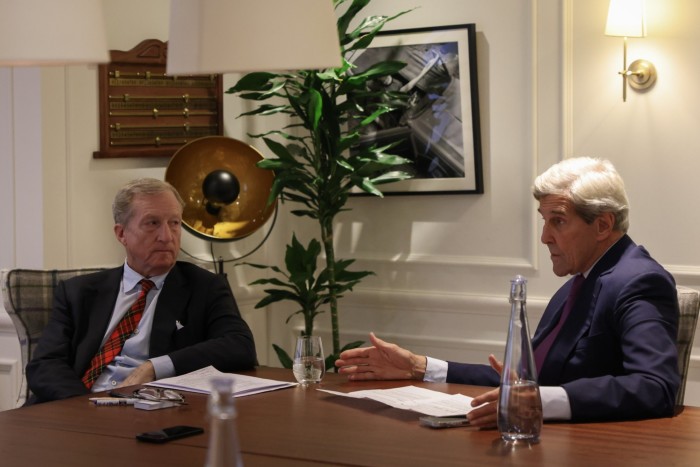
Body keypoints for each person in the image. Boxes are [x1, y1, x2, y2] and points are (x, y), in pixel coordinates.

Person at [335, 157, 680, 426]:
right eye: (543, 220)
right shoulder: (579, 283)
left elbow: (654, 387)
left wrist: (542, 402)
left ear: (603, 225)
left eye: (557, 221)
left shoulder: (638, 281)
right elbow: (525, 379)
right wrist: (421, 368)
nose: (545, 236)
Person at [26, 178, 257, 403]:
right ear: (121, 234)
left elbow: (240, 345)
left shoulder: (204, 286)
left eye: (174, 223)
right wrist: (86, 407)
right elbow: (45, 364)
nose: (166, 237)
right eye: (152, 223)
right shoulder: (79, 292)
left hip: (148, 410)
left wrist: (155, 367)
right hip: (75, 407)